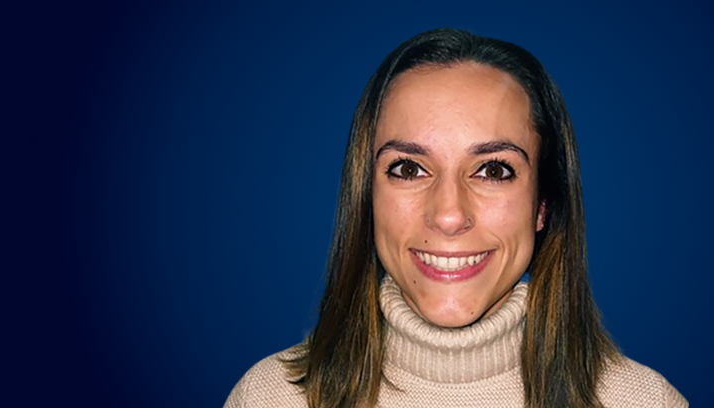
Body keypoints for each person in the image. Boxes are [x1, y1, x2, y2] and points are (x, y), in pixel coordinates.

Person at [224, 28, 686, 408]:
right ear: (367, 196)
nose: (448, 216)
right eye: (407, 168)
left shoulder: (643, 401)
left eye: (493, 170)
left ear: (543, 204)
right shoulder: (269, 397)